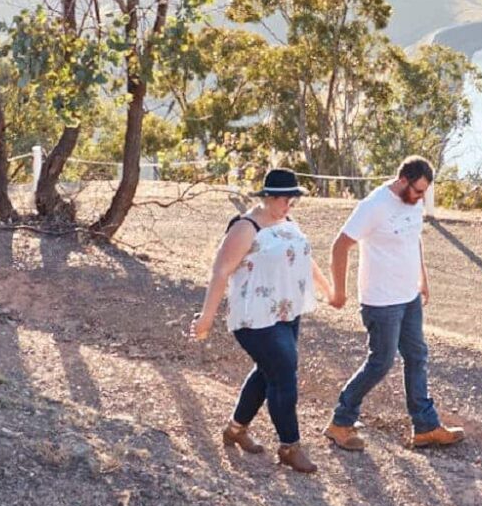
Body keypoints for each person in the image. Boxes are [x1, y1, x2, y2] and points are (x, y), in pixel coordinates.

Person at [190, 166, 332, 475]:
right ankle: (289, 446)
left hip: (286, 312)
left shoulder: (288, 222)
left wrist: (329, 290)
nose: (288, 204)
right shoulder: (246, 227)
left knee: (268, 372)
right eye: (282, 199)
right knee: (284, 376)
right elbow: (220, 271)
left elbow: (306, 258)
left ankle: (236, 429)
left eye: (292, 199)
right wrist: (207, 317)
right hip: (254, 316)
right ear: (266, 196)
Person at [324, 155, 467, 451]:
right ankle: (341, 421)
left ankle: (425, 427)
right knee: (381, 362)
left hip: (408, 296)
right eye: (417, 191)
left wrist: (422, 278)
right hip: (381, 300)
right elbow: (340, 245)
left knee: (417, 356)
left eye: (425, 192)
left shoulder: (414, 202)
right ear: (402, 181)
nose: (421, 197)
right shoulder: (374, 206)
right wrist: (340, 291)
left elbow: (414, 239)